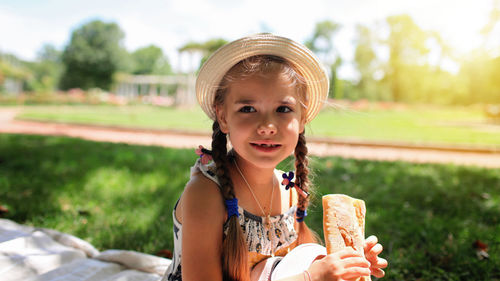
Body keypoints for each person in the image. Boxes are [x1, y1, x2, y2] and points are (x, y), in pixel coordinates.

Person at [162, 33, 388, 281]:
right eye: (248, 109)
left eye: (283, 109)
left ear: (302, 119)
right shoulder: (205, 193)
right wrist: (311, 278)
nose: (268, 125)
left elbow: (290, 264)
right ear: (223, 117)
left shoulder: (289, 189)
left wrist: (347, 263)